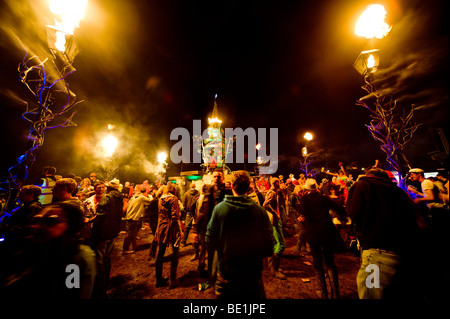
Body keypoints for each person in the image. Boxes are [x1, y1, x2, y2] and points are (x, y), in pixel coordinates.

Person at [346, 168, 425, 299]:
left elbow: (353, 212)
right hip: (403, 253)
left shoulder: (362, 185)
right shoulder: (400, 192)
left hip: (376, 256)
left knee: (371, 294)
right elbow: (420, 223)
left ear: (368, 176)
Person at [0, 201, 97, 299]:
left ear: (69, 226)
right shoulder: (30, 249)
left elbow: (71, 293)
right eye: (37, 220)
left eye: (50, 221)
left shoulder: (75, 260)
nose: (38, 226)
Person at [206, 170, 275, 299]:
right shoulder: (259, 212)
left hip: (226, 276)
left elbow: (210, 241)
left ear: (232, 186)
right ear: (249, 187)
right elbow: (269, 245)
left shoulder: (219, 209)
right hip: (251, 277)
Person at [297, 179, 346, 299]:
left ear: (307, 189)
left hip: (313, 234)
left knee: (318, 263)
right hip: (327, 232)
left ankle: (324, 293)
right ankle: (336, 293)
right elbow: (339, 208)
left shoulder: (305, 199)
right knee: (330, 262)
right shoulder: (323, 199)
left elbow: (302, 212)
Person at [90, 178, 124, 299]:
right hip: (113, 232)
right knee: (107, 259)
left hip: (103, 233)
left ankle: (99, 289)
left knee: (99, 261)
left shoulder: (107, 198)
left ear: (109, 188)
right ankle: (105, 283)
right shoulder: (120, 198)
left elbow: (101, 215)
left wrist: (89, 220)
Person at [154, 183, 183, 289]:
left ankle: (159, 280)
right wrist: (180, 230)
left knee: (160, 254)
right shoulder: (173, 199)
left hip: (161, 227)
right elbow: (175, 217)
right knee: (175, 252)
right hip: (171, 228)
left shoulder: (160, 199)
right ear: (174, 190)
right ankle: (172, 280)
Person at [263, 177, 286, 280]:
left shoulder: (274, 192)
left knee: (276, 244)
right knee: (281, 244)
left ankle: (273, 267)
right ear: (276, 183)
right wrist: (275, 213)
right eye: (279, 182)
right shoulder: (271, 193)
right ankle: (274, 269)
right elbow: (265, 205)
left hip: (274, 219)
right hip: (274, 220)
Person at [122, 185, 153, 254]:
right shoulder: (141, 197)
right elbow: (150, 201)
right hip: (134, 218)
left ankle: (133, 246)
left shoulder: (134, 197)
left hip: (130, 216)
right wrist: (150, 196)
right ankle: (125, 249)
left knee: (133, 233)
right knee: (130, 234)